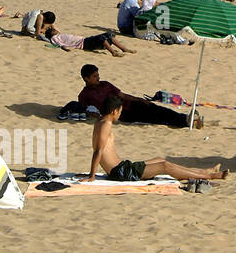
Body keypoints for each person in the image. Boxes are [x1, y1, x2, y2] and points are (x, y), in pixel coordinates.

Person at [83, 94, 227, 182]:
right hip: (121, 172)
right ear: (114, 111)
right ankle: (210, 177)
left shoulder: (100, 121)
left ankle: (203, 172)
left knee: (160, 160)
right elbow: (98, 151)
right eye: (120, 112)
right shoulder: (106, 124)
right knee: (164, 166)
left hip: (124, 167)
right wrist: (92, 176)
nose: (120, 115)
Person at [76, 64, 196, 127]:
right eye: (95, 76)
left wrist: (139, 99)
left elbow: (122, 95)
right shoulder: (84, 95)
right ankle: (184, 122)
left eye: (98, 75)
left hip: (130, 104)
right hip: (122, 114)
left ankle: (185, 119)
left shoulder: (105, 84)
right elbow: (85, 110)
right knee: (154, 118)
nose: (98, 78)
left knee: (156, 109)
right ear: (86, 78)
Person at [45, 26, 134, 57]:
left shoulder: (58, 35)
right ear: (52, 32)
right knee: (103, 38)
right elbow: (60, 44)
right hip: (83, 43)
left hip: (84, 40)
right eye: (54, 30)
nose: (56, 30)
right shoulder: (55, 38)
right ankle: (113, 52)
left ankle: (124, 49)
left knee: (108, 35)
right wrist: (65, 48)